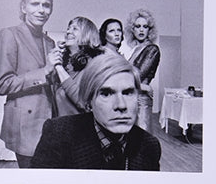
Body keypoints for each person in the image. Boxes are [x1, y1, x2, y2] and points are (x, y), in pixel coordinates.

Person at [31, 50, 161, 170]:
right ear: (89, 102)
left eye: (128, 93)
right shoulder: (58, 135)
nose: (121, 105)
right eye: (106, 94)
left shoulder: (149, 145)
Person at [0, 0, 61, 168]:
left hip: (49, 123)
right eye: (35, 4)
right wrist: (44, 71)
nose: (41, 10)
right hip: (25, 126)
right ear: (23, 7)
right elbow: (3, 84)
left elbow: (50, 84)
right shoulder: (9, 35)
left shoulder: (49, 42)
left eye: (46, 5)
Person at [51, 16, 103, 116]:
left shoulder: (93, 64)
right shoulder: (66, 64)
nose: (68, 32)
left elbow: (83, 102)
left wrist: (58, 66)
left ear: (87, 34)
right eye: (68, 28)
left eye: (75, 29)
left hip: (80, 125)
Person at [122, 9, 161, 130]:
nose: (141, 30)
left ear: (150, 30)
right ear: (132, 29)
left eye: (145, 27)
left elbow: (137, 76)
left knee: (142, 136)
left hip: (141, 101)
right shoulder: (135, 49)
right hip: (130, 98)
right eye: (138, 26)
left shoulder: (152, 49)